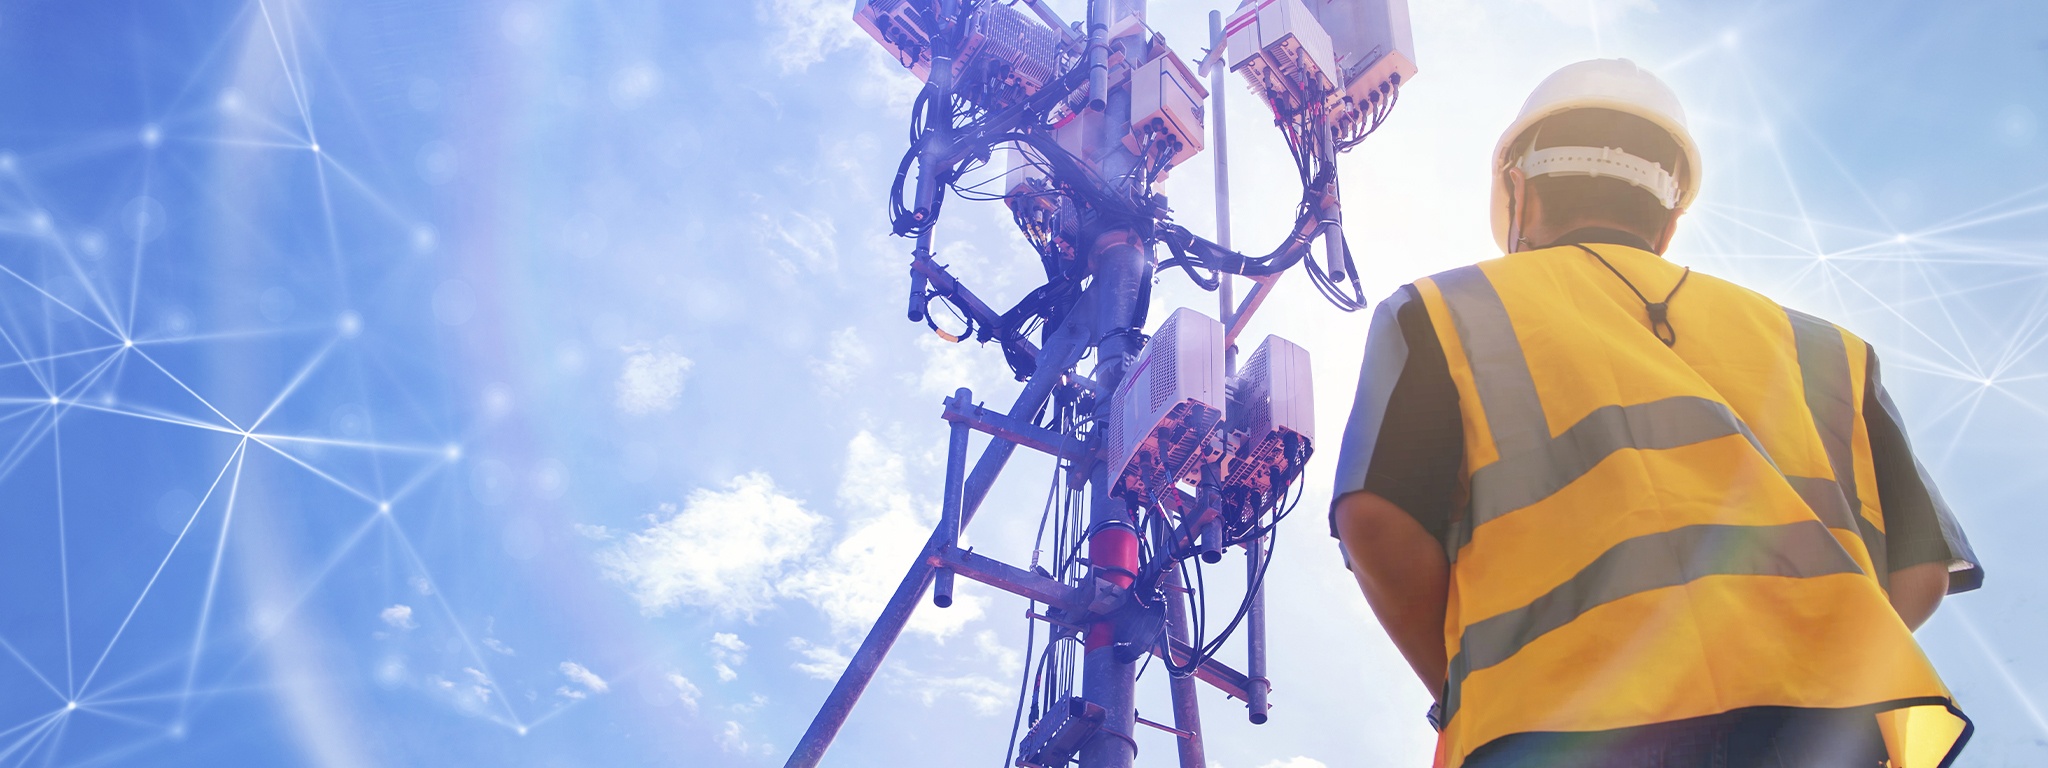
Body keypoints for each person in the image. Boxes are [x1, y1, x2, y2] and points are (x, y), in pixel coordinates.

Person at [1328, 59, 1984, 768]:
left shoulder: (1446, 309)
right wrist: (1819, 658)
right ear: (1671, 217)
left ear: (1519, 189)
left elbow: (1377, 517)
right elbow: (1921, 572)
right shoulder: (1829, 351)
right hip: (1817, 733)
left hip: (1558, 724)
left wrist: (1471, 691)